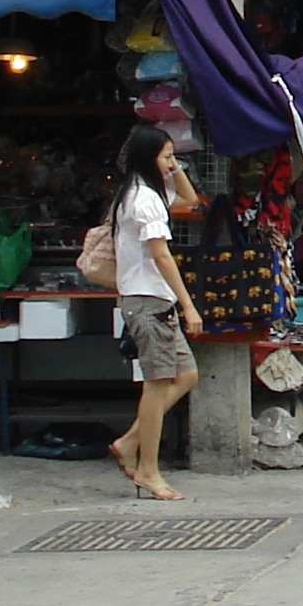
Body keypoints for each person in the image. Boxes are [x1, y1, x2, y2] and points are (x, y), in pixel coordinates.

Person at [104, 124, 206, 499]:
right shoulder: (143, 200)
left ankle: (130, 442)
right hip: (148, 300)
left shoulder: (146, 193)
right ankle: (148, 469)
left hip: (154, 301)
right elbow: (161, 255)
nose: (172, 162)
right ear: (149, 159)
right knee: (157, 383)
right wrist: (189, 305)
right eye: (165, 156)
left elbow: (189, 197)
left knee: (187, 374)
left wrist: (174, 168)